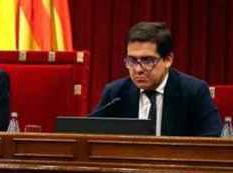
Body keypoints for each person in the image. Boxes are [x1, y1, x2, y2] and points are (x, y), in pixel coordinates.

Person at [90, 22, 222, 136]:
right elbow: (89, 134)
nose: (138, 69)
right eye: (132, 61)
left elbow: (211, 140)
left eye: (147, 61)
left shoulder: (194, 92)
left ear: (168, 60)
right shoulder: (115, 93)